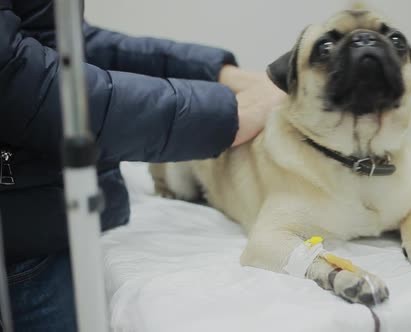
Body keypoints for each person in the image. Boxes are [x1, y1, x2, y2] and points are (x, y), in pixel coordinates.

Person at [0, 1, 284, 331]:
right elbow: (19, 82)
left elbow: (60, 42)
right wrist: (224, 116)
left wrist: (219, 73)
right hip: (24, 247)